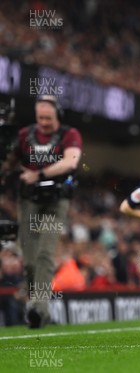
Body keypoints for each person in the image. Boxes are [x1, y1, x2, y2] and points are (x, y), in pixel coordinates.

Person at [2, 95, 82, 328]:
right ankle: (36, 306)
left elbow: (71, 162)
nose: (44, 122)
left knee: (45, 254)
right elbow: (9, 161)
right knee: (28, 260)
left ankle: (39, 309)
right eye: (40, 118)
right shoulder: (25, 135)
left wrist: (39, 174)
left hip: (55, 201)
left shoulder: (69, 135)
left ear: (58, 115)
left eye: (48, 118)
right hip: (28, 199)